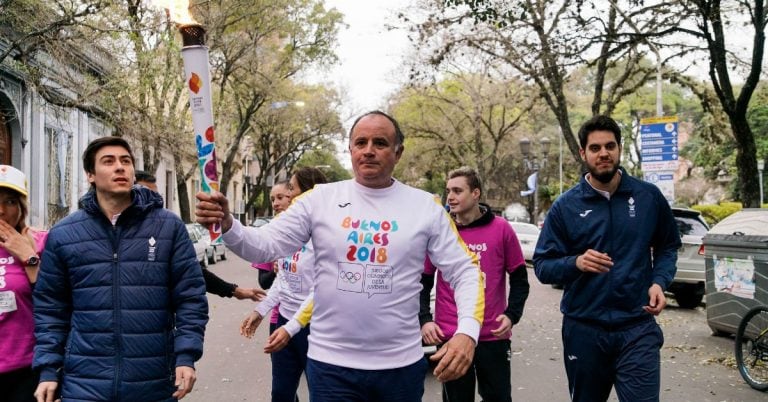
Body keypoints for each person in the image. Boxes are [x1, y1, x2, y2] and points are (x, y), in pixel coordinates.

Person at [196, 110, 484, 401]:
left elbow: (465, 270)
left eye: (380, 143)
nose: (369, 151)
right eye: (361, 143)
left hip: (400, 367)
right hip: (331, 367)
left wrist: (467, 332)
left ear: (398, 152)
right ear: (350, 150)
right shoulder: (320, 199)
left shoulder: (426, 206)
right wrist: (229, 224)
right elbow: (264, 245)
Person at [33, 136, 208, 402]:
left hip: (153, 380)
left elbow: (190, 298)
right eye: (109, 161)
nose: (120, 167)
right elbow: (51, 308)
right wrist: (48, 369)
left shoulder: (168, 227)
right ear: (90, 175)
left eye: (125, 161)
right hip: (84, 383)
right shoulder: (64, 234)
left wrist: (186, 355)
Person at [533, 115, 681, 402]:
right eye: (595, 148)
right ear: (583, 153)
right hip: (584, 330)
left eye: (610, 146)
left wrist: (659, 282)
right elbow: (542, 265)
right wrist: (575, 263)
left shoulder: (648, 197)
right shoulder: (565, 206)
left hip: (637, 326)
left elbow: (668, 246)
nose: (603, 154)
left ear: (619, 149)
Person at [420, 166, 529, 402]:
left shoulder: (501, 229)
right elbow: (423, 281)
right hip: (450, 336)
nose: (450, 196)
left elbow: (520, 279)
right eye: (448, 190)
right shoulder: (441, 231)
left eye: (458, 190)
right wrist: (425, 320)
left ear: (476, 193)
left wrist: (512, 315)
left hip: (493, 335)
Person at [241, 167, 327, 402]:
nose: (287, 196)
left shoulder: (326, 235)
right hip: (283, 322)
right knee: (280, 394)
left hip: (314, 328)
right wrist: (261, 311)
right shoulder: (287, 232)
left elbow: (322, 289)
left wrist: (293, 328)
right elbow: (283, 279)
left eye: (292, 189)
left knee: (320, 394)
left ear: (309, 194)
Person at [135, 170, 263, 302]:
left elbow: (192, 271)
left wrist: (234, 290)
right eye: (145, 196)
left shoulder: (165, 233)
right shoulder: (113, 234)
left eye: (156, 197)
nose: (153, 204)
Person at [0, 166, 47, 402]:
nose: (0, 211)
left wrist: (29, 257)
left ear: (21, 208)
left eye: (9, 201)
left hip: (26, 370)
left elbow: (55, 303)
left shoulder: (41, 243)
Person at [253, 180, 293, 292]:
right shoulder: (268, 234)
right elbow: (263, 283)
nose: (275, 203)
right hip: (280, 307)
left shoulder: (312, 231)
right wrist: (275, 271)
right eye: (272, 200)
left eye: (280, 198)